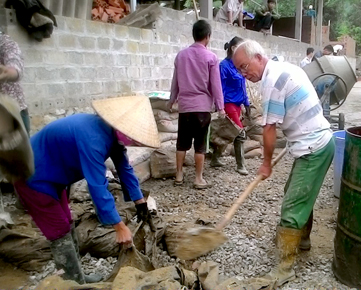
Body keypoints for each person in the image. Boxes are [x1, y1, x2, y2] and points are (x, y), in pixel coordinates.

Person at [13, 96, 160, 284]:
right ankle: (72, 282)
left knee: (67, 221)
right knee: (58, 229)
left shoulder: (110, 133)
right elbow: (97, 185)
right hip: (32, 176)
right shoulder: (93, 138)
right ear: (123, 129)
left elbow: (125, 168)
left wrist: (140, 203)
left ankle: (77, 277)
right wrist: (119, 226)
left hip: (54, 176)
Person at [233, 40, 335, 286]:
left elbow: (269, 129)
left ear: (258, 57)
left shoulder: (272, 81)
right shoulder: (284, 69)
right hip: (314, 141)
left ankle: (285, 267)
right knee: (296, 193)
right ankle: (302, 240)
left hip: (314, 147)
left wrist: (265, 163)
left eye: (245, 67)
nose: (244, 74)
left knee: (292, 206)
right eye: (240, 70)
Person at [168, 20, 225, 189]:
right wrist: (220, 107)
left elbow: (175, 82)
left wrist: (171, 100)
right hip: (202, 108)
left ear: (193, 35)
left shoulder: (181, 55)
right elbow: (216, 85)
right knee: (200, 145)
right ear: (208, 37)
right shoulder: (211, 57)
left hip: (184, 107)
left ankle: (179, 175)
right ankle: (198, 179)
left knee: (182, 143)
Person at [211, 37, 251, 175]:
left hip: (238, 105)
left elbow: (243, 87)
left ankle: (215, 158)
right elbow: (219, 87)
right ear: (234, 49)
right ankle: (241, 165)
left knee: (228, 133)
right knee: (239, 133)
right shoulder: (224, 66)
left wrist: (247, 103)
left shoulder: (239, 66)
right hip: (228, 104)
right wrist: (220, 106)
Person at [0, 31, 29, 135]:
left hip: (14, 112)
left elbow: (15, 61)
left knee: (21, 150)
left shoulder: (5, 43)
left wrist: (10, 72)